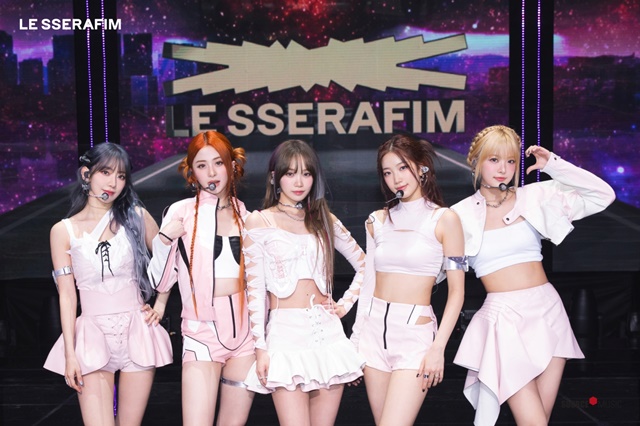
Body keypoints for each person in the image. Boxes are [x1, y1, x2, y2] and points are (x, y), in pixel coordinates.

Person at [452, 125, 616, 425]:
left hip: (548, 313)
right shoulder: (458, 215)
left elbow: (603, 195)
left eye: (511, 161)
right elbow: (427, 267)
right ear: (475, 162)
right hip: (504, 320)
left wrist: (554, 164)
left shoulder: (536, 196)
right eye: (494, 160)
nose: (503, 169)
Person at [44, 142, 173, 425]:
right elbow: (67, 296)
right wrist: (69, 354)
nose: (113, 182)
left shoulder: (136, 217)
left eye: (121, 175)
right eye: (105, 172)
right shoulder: (63, 230)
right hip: (92, 334)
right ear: (86, 174)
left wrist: (161, 303)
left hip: (137, 330)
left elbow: (169, 260)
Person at [242, 139, 366, 426]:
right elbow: (255, 292)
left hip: (327, 334)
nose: (299, 182)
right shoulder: (259, 222)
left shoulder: (324, 219)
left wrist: (344, 305)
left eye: (306, 173)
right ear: (274, 177)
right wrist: (261, 348)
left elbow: (365, 265)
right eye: (290, 173)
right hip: (285, 335)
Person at [350, 133, 466, 426]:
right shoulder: (377, 221)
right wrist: (356, 340)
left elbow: (457, 293)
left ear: (422, 166)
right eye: (388, 172)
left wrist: (438, 348)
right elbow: (369, 284)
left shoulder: (445, 219)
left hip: (414, 336)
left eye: (402, 167)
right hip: (373, 334)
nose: (396, 179)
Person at [147, 131, 255, 426]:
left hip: (245, 335)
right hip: (201, 332)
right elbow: (160, 278)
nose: (212, 172)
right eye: (202, 165)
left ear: (232, 165)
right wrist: (163, 240)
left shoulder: (247, 215)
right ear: (192, 172)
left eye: (218, 163)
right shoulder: (181, 212)